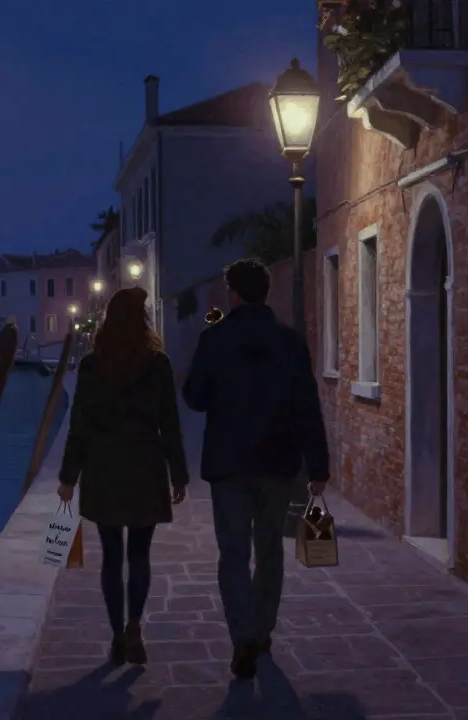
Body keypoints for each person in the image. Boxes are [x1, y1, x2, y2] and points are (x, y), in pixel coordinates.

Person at [182, 258, 330, 681]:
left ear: (235, 292)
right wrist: (318, 463)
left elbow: (194, 396)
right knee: (269, 550)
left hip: (229, 465)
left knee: (232, 553)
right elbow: (307, 407)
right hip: (278, 462)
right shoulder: (290, 342)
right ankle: (262, 630)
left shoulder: (216, 339)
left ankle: (242, 636)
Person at [57, 286, 189, 667]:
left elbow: (78, 427)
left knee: (111, 556)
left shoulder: (92, 366)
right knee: (140, 553)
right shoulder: (158, 364)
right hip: (146, 467)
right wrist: (178, 474)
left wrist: (68, 477)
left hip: (104, 470)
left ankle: (117, 636)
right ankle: (134, 627)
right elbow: (170, 424)